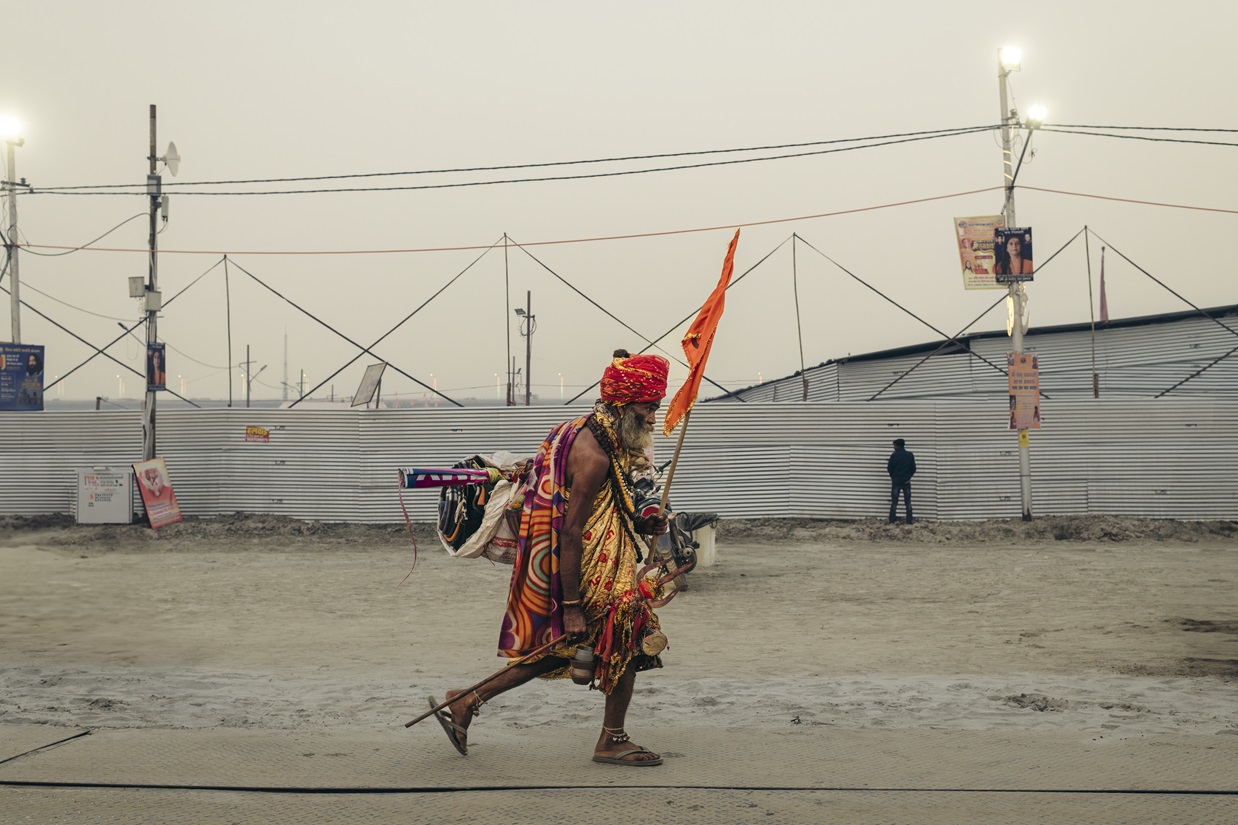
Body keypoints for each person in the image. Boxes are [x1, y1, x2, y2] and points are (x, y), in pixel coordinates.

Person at [431, 349, 672, 767]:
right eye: (647, 408)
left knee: (556, 651)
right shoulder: (594, 455)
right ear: (621, 405)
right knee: (626, 641)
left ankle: (466, 700)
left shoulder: (584, 429)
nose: (653, 418)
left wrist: (642, 521)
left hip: (598, 561)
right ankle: (611, 741)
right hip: (593, 572)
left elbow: (609, 498)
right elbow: (572, 531)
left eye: (655, 407)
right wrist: (572, 605)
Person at [887, 438, 916, 525]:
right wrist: (908, 477)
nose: (894, 447)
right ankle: (909, 521)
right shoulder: (910, 455)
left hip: (896, 482)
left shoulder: (894, 455)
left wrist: (893, 477)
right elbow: (913, 469)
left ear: (898, 446)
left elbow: (889, 468)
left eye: (894, 445)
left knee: (894, 503)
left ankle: (892, 521)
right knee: (908, 503)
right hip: (906, 482)